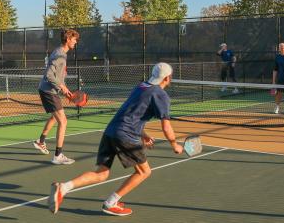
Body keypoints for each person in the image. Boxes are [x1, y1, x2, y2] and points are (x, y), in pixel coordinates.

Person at [48, 62, 184, 216]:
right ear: (167, 78)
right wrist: (175, 145)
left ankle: (64, 188)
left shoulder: (141, 87)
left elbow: (131, 113)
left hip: (111, 131)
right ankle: (111, 202)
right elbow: (166, 126)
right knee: (144, 172)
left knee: (102, 173)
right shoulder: (161, 95)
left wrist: (143, 135)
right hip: (126, 135)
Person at [33, 28, 80, 164]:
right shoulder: (60, 54)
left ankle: (40, 142)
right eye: (74, 39)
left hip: (49, 90)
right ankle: (58, 156)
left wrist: (65, 90)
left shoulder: (60, 52)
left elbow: (58, 76)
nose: (76, 42)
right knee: (63, 121)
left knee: (55, 117)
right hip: (48, 91)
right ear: (68, 39)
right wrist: (62, 87)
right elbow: (49, 75)